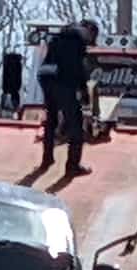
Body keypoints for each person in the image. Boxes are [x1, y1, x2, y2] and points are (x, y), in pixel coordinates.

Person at [38, 19, 99, 176]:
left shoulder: (59, 36)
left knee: (51, 120)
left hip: (45, 76)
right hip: (62, 80)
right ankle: (72, 166)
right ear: (90, 30)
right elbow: (77, 68)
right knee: (75, 124)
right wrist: (84, 91)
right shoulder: (78, 39)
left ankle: (47, 158)